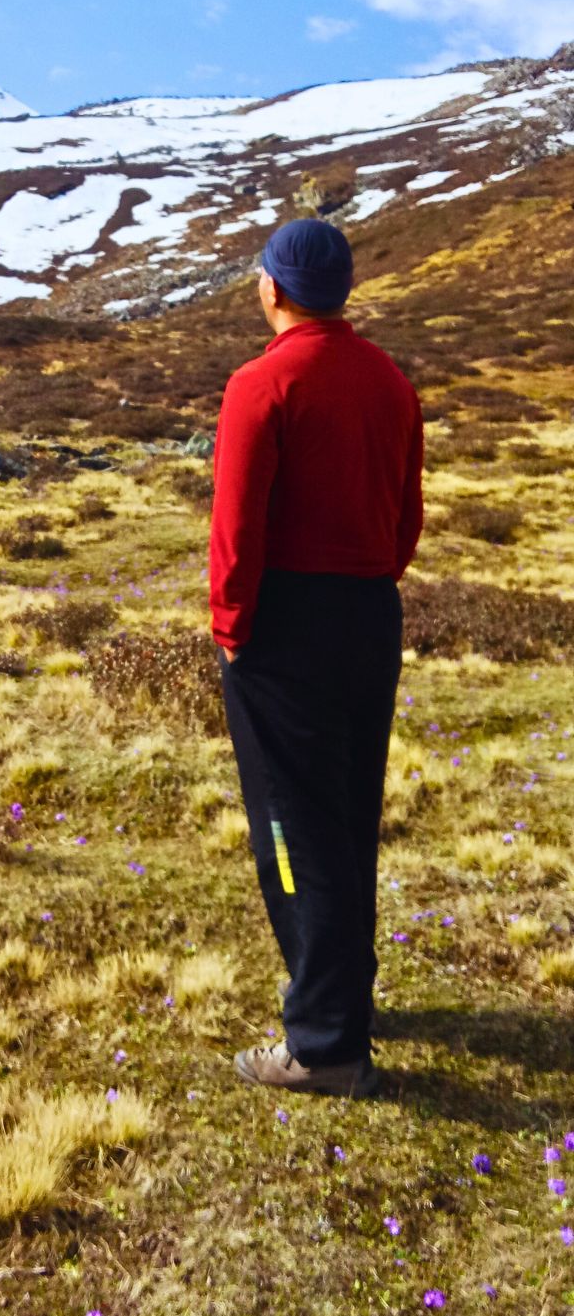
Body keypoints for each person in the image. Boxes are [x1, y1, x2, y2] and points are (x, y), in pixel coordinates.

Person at [209, 217, 424, 1097]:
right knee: (346, 812)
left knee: (293, 828)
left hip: (285, 627)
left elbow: (236, 530)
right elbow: (405, 516)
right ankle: (344, 996)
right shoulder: (389, 380)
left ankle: (326, 1043)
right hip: (370, 612)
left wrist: (233, 628)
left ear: (273, 289)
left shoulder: (261, 386)